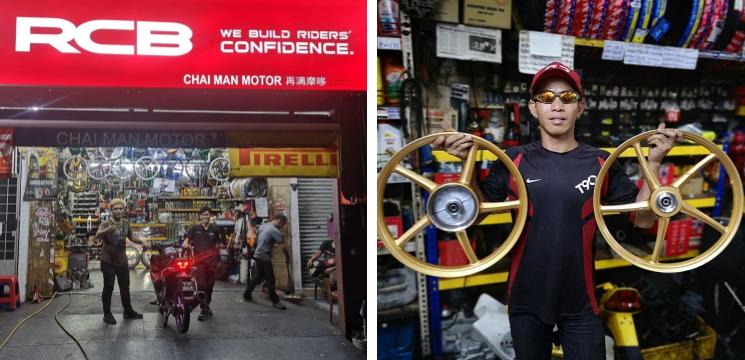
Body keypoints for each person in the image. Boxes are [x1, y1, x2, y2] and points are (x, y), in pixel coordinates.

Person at [434, 61, 683, 359]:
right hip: (526, 300)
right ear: (532, 108)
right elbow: (476, 211)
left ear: (580, 108)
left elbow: (643, 219)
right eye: (546, 98)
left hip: (582, 302)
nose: (557, 106)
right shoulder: (514, 160)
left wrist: (653, 163)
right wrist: (467, 166)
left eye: (567, 98)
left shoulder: (601, 163)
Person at [95, 198, 144, 325]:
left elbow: (131, 237)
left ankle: (127, 310)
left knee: (125, 287)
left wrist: (143, 241)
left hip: (122, 260)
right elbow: (97, 234)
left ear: (124, 210)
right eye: (115, 209)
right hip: (108, 261)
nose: (118, 211)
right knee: (108, 287)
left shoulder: (126, 223)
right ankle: (107, 314)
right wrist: (106, 231)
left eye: (120, 208)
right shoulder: (106, 223)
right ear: (111, 211)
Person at [182, 205, 225, 321]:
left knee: (209, 287)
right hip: (199, 264)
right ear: (200, 216)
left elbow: (219, 245)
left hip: (212, 264)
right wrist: (187, 244)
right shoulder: (194, 229)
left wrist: (219, 260)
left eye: (207, 214)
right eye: (203, 215)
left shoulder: (215, 230)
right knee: (201, 286)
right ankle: (203, 309)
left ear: (210, 216)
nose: (205, 216)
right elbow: (185, 242)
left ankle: (206, 307)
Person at [243, 214, 288, 310]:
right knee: (271, 279)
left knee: (258, 276)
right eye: (282, 224)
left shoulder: (263, 226)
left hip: (257, 255)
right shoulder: (274, 230)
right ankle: (275, 301)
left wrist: (271, 244)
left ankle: (247, 294)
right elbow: (282, 246)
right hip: (264, 257)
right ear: (279, 221)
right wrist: (287, 257)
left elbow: (264, 239)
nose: (282, 226)